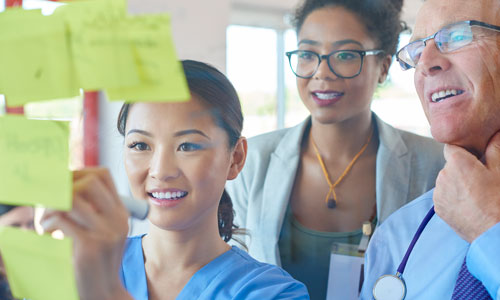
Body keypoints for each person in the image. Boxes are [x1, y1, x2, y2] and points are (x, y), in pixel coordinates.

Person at [225, 0, 445, 298]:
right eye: (307, 54)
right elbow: (229, 272)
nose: (321, 72)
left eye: (344, 55)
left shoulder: (433, 165)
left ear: (383, 67)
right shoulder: (250, 162)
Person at [41, 60, 309, 300]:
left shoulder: (272, 293)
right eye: (139, 145)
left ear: (236, 157)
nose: (161, 170)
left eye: (188, 146)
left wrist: (106, 291)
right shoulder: (76, 265)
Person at [361, 0, 500, 299]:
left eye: (457, 36)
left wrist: (487, 228)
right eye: (416, 51)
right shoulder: (397, 236)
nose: (425, 62)